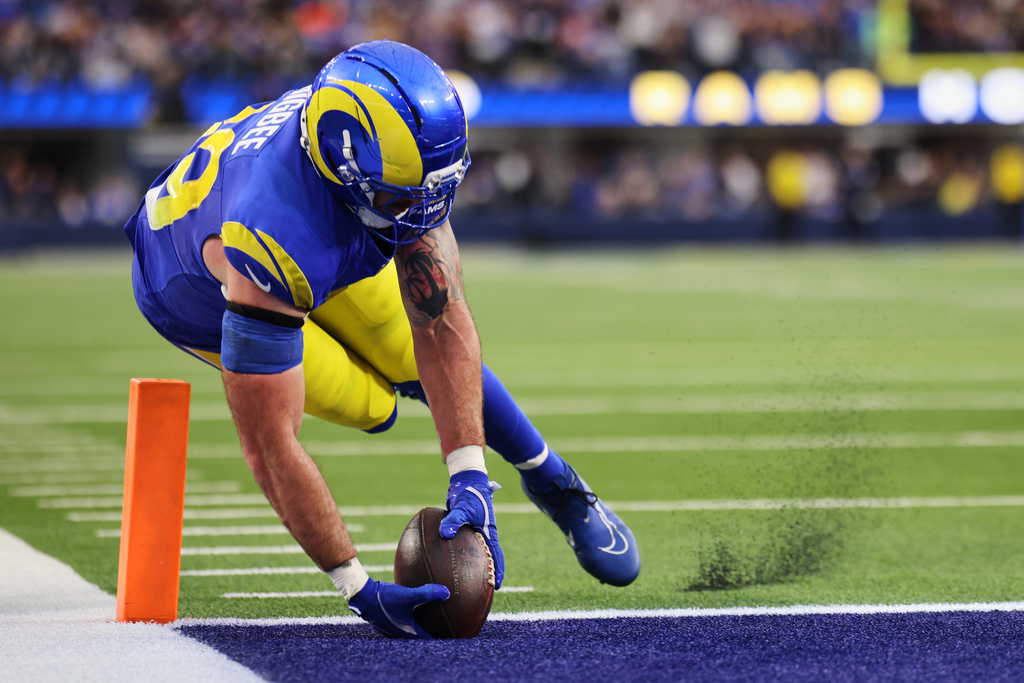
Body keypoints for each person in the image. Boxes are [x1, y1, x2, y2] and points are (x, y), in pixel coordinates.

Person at [124, 39, 640, 638]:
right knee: (372, 405)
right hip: (196, 290)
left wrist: (470, 476)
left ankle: (554, 481)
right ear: (352, 171)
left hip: (312, 228)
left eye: (435, 190)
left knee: (409, 347)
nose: (425, 212)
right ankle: (481, 460)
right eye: (404, 197)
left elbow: (442, 325)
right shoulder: (269, 240)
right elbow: (269, 445)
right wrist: (358, 588)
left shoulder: (389, 157)